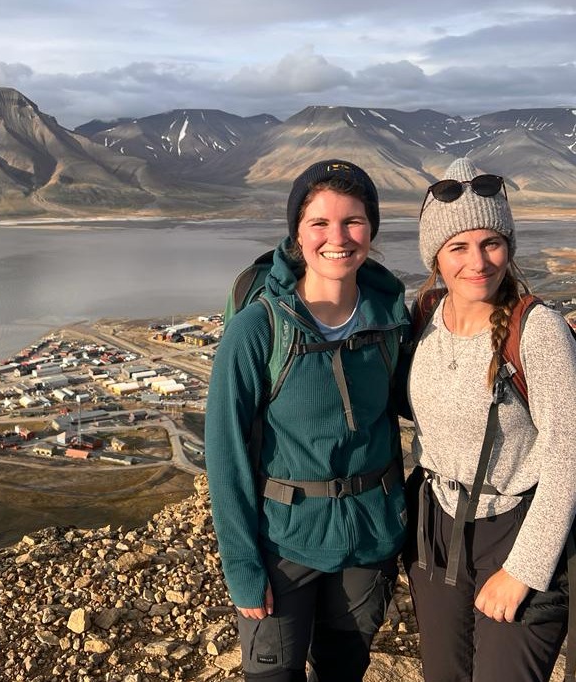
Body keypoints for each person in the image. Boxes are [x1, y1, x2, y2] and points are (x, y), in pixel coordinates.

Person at [205, 160, 410, 682]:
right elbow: (225, 455)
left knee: (344, 672)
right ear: (297, 232)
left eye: (353, 222)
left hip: (368, 539)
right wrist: (243, 570)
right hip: (283, 544)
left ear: (372, 230)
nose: (337, 238)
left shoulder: (391, 321)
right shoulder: (259, 329)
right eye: (319, 223)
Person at [404, 157, 576, 682]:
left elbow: (567, 457)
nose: (478, 262)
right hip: (434, 529)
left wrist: (524, 570)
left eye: (492, 243)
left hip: (516, 526)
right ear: (435, 257)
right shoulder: (423, 318)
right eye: (458, 247)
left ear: (508, 246)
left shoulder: (538, 331)